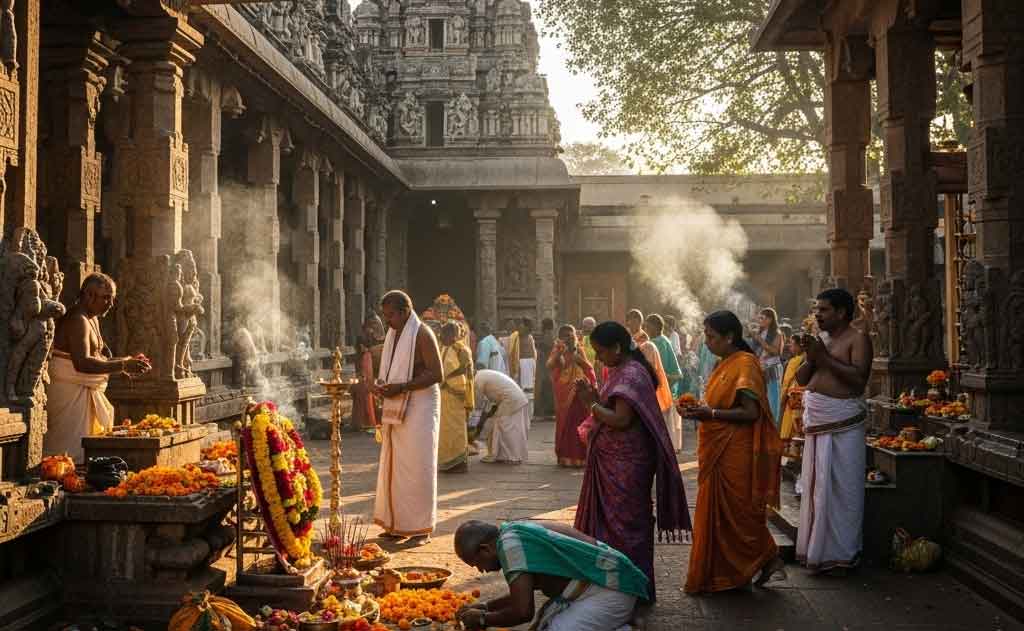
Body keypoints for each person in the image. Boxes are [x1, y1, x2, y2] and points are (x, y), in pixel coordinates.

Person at [574, 321, 691, 600]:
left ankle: (629, 588)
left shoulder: (631, 374)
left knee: (625, 526)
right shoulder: (625, 369)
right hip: (616, 459)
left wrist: (589, 402)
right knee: (617, 525)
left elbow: (621, 419)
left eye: (601, 352)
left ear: (617, 347)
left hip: (626, 464)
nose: (599, 358)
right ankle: (614, 585)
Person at [679, 310, 785, 593]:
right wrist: (697, 410)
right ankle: (732, 569)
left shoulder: (746, 364)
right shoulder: (723, 363)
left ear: (729, 337)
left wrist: (710, 413)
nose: (707, 341)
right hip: (718, 446)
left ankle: (761, 558)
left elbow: (750, 412)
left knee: (738, 512)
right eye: (705, 335)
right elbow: (718, 405)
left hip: (736, 449)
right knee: (721, 514)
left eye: (712, 337)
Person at [795, 288, 873, 574]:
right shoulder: (822, 340)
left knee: (844, 489)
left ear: (841, 312)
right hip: (818, 422)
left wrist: (823, 358)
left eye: (824, 310)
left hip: (844, 425)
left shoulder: (858, 339)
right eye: (817, 309)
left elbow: (858, 381)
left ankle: (843, 553)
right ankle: (817, 550)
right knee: (818, 490)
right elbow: (803, 378)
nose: (817, 315)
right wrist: (812, 356)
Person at [453, 519, 650, 631]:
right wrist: (487, 606)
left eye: (476, 563)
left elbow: (523, 612)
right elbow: (523, 593)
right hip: (602, 584)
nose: (480, 571)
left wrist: (482, 619)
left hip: (612, 590)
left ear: (485, 549)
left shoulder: (512, 548)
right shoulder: (512, 532)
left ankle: (625, 625)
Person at [46, 273, 152, 462]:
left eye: (112, 298)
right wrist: (123, 365)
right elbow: (82, 363)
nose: (110, 304)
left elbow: (98, 357)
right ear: (89, 295)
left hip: (82, 389)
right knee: (68, 453)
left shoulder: (92, 318)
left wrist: (128, 362)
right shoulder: (78, 319)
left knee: (85, 450)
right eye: (106, 298)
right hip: (68, 392)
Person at [371, 290, 443, 544]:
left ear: (404, 312)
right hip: (398, 402)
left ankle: (420, 527)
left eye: (390, 315)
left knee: (418, 466)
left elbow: (437, 373)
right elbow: (393, 371)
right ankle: (397, 524)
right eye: (385, 315)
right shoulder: (394, 334)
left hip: (421, 403)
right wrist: (384, 385)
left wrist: (401, 387)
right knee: (396, 464)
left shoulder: (422, 333)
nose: (387, 321)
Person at [548, 324, 595, 467]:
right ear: (561, 337)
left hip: (580, 390)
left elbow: (588, 367)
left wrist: (579, 360)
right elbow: (549, 365)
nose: (569, 338)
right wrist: (558, 356)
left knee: (580, 422)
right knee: (566, 424)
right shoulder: (557, 349)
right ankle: (566, 456)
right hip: (563, 391)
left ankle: (581, 456)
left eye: (571, 334)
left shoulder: (579, 349)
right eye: (566, 335)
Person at [644, 314, 685, 452]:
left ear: (656, 327)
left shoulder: (655, 343)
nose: (645, 328)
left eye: (648, 325)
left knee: (662, 421)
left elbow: (653, 368)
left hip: (661, 387)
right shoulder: (664, 340)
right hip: (668, 386)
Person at [438, 322, 475, 473]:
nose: (440, 337)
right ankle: (447, 461)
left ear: (452, 336)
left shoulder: (461, 349)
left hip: (456, 391)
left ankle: (459, 464)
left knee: (457, 428)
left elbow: (465, 368)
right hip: (444, 392)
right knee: (445, 429)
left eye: (444, 334)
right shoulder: (444, 348)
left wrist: (446, 378)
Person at [624, 309, 673, 416]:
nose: (631, 323)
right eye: (630, 321)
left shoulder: (645, 340)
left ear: (640, 322)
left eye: (635, 321)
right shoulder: (627, 335)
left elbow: (642, 359)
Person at [474, 369, 529, 464]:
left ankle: (511, 457)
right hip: (515, 398)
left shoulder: (477, 379)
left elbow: (477, 404)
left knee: (503, 427)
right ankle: (505, 455)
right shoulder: (482, 374)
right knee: (505, 427)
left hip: (511, 399)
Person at [351, 314, 385, 429]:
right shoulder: (362, 338)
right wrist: (360, 374)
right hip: (366, 370)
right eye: (371, 324)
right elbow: (360, 358)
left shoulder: (386, 338)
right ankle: (363, 422)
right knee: (361, 389)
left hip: (381, 372)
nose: (373, 327)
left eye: (376, 323)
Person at [507, 318, 538, 422]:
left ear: (527, 327)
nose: (519, 326)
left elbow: (533, 355)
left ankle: (529, 415)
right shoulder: (516, 337)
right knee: (519, 390)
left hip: (528, 365)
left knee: (528, 390)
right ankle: (520, 414)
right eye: (519, 324)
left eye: (521, 325)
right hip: (519, 365)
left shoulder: (529, 338)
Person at [779, 334, 806, 454]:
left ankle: (792, 455)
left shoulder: (795, 361)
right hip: (801, 395)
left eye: (792, 344)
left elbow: (787, 380)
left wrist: (783, 396)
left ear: (800, 346)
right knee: (798, 426)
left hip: (793, 395)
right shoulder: (805, 359)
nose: (790, 346)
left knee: (792, 425)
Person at [757, 308, 785, 425]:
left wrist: (758, 339)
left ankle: (772, 425)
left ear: (770, 319)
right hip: (760, 369)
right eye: (760, 318)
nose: (760, 320)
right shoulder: (760, 332)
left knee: (773, 399)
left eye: (762, 318)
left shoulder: (777, 334)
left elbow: (775, 351)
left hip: (772, 369)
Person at [534, 318, 556, 420]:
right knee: (547, 386)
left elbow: (547, 346)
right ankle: (547, 411)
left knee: (546, 386)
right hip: (547, 363)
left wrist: (538, 345)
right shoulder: (550, 334)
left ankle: (547, 412)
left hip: (546, 363)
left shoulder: (548, 334)